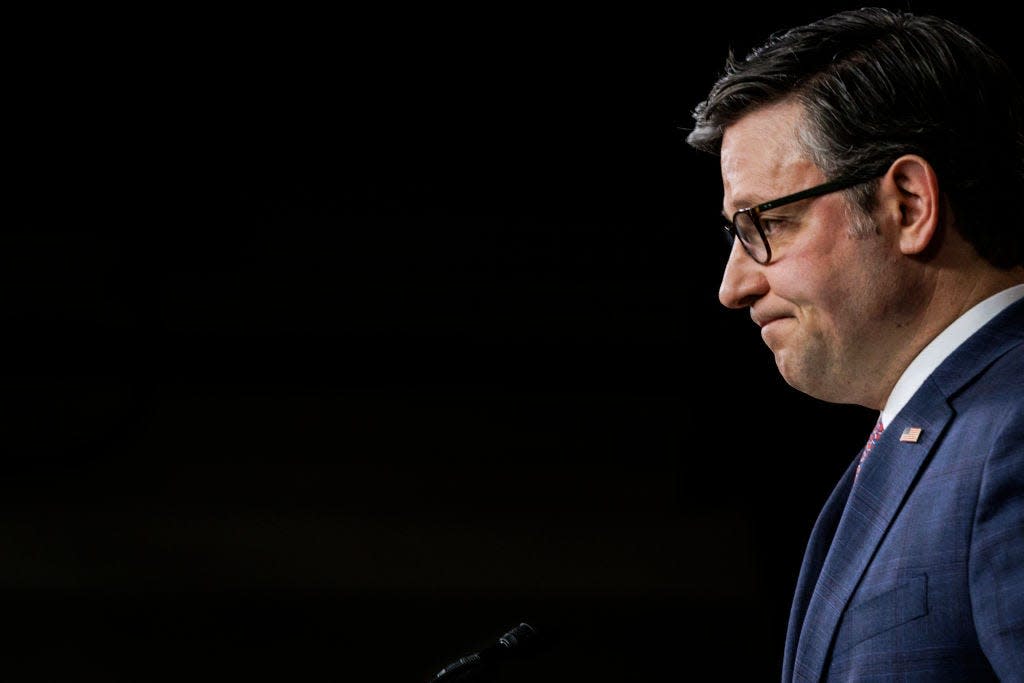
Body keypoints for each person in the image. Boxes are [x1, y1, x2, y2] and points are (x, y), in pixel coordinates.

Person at [685, 7, 1024, 681]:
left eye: (769, 223)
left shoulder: (1011, 433)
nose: (733, 285)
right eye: (733, 234)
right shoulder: (938, 431)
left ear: (908, 205)